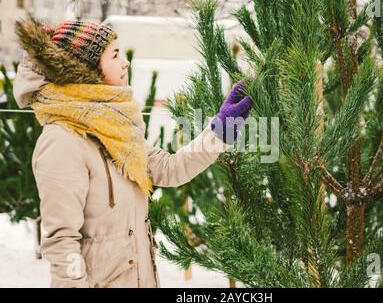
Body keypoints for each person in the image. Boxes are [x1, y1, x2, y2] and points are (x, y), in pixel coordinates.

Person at [12, 18, 252, 288]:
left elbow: (170, 168)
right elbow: (62, 241)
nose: (125, 62)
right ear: (84, 70)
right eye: (114, 55)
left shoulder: (115, 129)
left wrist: (221, 129)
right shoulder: (63, 141)